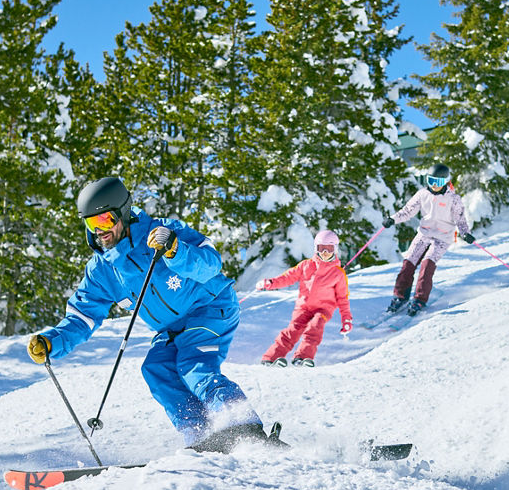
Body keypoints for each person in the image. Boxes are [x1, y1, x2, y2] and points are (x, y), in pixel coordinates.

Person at [26, 177, 280, 454]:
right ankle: (202, 435)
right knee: (156, 369)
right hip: (170, 328)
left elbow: (211, 264)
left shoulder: (164, 232)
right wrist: (53, 341)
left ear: (123, 211)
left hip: (210, 308)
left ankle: (243, 427)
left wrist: (174, 250)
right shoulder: (102, 269)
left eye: (105, 220)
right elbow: (82, 315)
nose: (100, 231)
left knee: (193, 364)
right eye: (91, 223)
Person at [383, 163, 475, 317]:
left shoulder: (453, 199)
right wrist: (393, 220)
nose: (434, 185)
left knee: (427, 265)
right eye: (430, 180)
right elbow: (408, 211)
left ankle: (419, 299)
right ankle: (400, 296)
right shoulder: (422, 194)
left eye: (438, 182)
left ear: (445, 182)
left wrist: (465, 233)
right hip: (424, 234)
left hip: (442, 237)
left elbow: (460, 219)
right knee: (408, 262)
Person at [256, 229, 354, 368]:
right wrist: (270, 283)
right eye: (321, 248)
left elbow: (343, 298)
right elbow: (287, 278)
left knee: (315, 327)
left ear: (335, 249)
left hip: (323, 309)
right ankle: (272, 357)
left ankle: (303, 357)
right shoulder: (306, 265)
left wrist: (346, 318)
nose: (325, 253)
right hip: (303, 307)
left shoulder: (338, 273)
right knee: (292, 330)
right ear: (316, 248)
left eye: (329, 249)